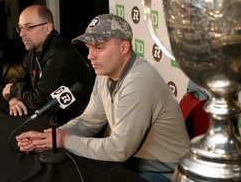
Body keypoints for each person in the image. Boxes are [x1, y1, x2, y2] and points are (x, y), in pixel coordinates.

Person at [16, 14, 190, 182]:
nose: (90, 56)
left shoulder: (139, 81)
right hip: (132, 163)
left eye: (98, 48)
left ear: (123, 47)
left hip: (165, 172)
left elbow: (119, 150)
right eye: (89, 48)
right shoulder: (104, 75)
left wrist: (64, 140)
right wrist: (51, 136)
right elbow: (90, 121)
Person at [1, 5, 95, 125]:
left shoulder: (59, 53)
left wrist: (13, 89)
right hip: (54, 118)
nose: (21, 34)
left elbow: (36, 101)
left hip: (79, 124)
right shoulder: (34, 52)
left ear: (48, 28)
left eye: (29, 27)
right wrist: (12, 99)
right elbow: (15, 81)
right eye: (20, 28)